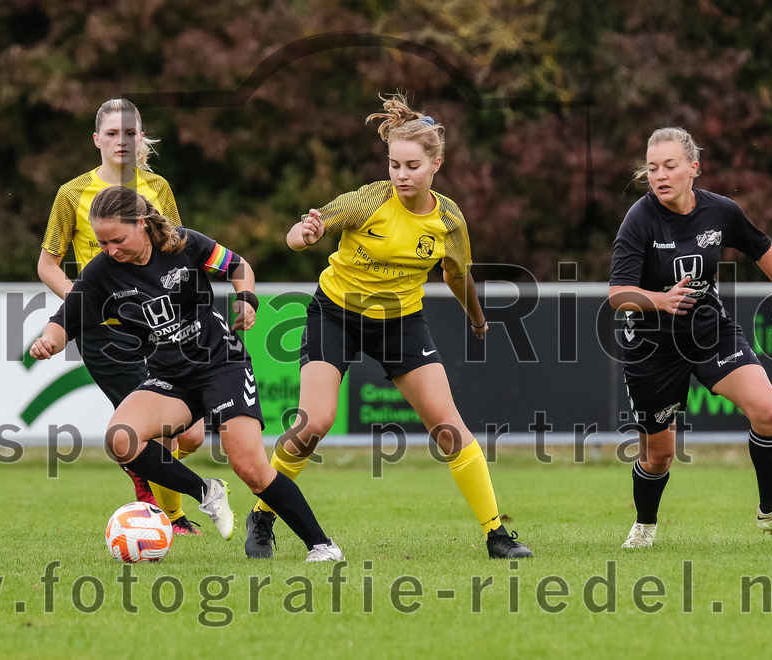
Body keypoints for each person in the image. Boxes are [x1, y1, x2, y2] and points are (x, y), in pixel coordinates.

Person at [242, 93, 533, 560]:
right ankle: (263, 514)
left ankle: (497, 534)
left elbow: (457, 275)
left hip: (399, 322)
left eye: (412, 166)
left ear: (436, 163)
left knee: (448, 426)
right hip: (335, 314)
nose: (401, 175)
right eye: (395, 165)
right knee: (314, 422)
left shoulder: (449, 220)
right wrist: (306, 234)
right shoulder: (369, 199)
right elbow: (301, 233)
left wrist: (477, 319)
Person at [31, 186, 343, 562]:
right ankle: (207, 493)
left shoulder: (183, 244)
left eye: (117, 239)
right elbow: (67, 318)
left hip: (220, 364)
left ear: (142, 224)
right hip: (170, 376)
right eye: (101, 242)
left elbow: (238, 266)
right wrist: (49, 340)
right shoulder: (101, 272)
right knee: (121, 439)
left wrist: (246, 298)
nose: (109, 250)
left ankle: (322, 546)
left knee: (251, 468)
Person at [609, 127, 772, 548]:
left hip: (711, 332)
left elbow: (761, 246)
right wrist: (660, 299)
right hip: (652, 347)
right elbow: (618, 294)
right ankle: (645, 525)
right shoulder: (639, 218)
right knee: (659, 457)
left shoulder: (720, 211)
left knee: (768, 411)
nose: (660, 175)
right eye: (652, 168)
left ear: (693, 168)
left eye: (670, 166)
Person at [38, 98, 205, 534]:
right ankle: (168, 516)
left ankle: (143, 470)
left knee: (192, 435)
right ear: (96, 139)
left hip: (160, 328)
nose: (121, 141)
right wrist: (84, 300)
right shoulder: (71, 194)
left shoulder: (158, 188)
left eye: (129, 133)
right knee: (158, 431)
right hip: (106, 334)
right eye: (111, 133)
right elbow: (47, 264)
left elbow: (176, 251)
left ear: (140, 136)